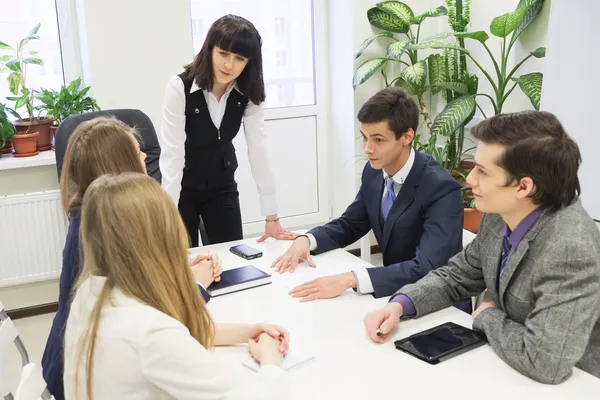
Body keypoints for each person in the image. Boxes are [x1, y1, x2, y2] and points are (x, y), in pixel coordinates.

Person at [364, 111, 600, 383]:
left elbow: (545, 361)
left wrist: (487, 315)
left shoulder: (571, 247)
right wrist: (399, 305)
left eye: (483, 172)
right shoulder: (500, 212)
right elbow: (456, 275)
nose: (470, 180)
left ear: (524, 187)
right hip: (505, 366)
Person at [64, 173, 290, 399]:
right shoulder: (150, 333)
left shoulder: (89, 293)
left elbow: (184, 331)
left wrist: (250, 331)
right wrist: (271, 362)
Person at [41, 118, 222, 400]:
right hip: (83, 378)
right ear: (120, 168)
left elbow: (135, 285)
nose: (144, 159)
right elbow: (154, 317)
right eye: (137, 153)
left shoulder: (92, 219)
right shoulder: (92, 236)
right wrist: (194, 286)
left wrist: (176, 268)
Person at [272, 87, 466, 301]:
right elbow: (351, 224)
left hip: (436, 303)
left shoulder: (441, 189)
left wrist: (351, 279)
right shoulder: (374, 171)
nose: (367, 149)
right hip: (394, 294)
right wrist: (307, 240)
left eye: (378, 140)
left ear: (407, 136)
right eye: (364, 137)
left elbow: (428, 267)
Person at [159, 14, 294, 247]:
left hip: (221, 186)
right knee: (180, 261)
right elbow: (173, 156)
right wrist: (166, 214)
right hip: (183, 187)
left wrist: (272, 216)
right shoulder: (180, 87)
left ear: (249, 62)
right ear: (210, 49)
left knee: (231, 257)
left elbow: (258, 149)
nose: (229, 65)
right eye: (223, 53)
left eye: (239, 58)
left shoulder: (249, 93)